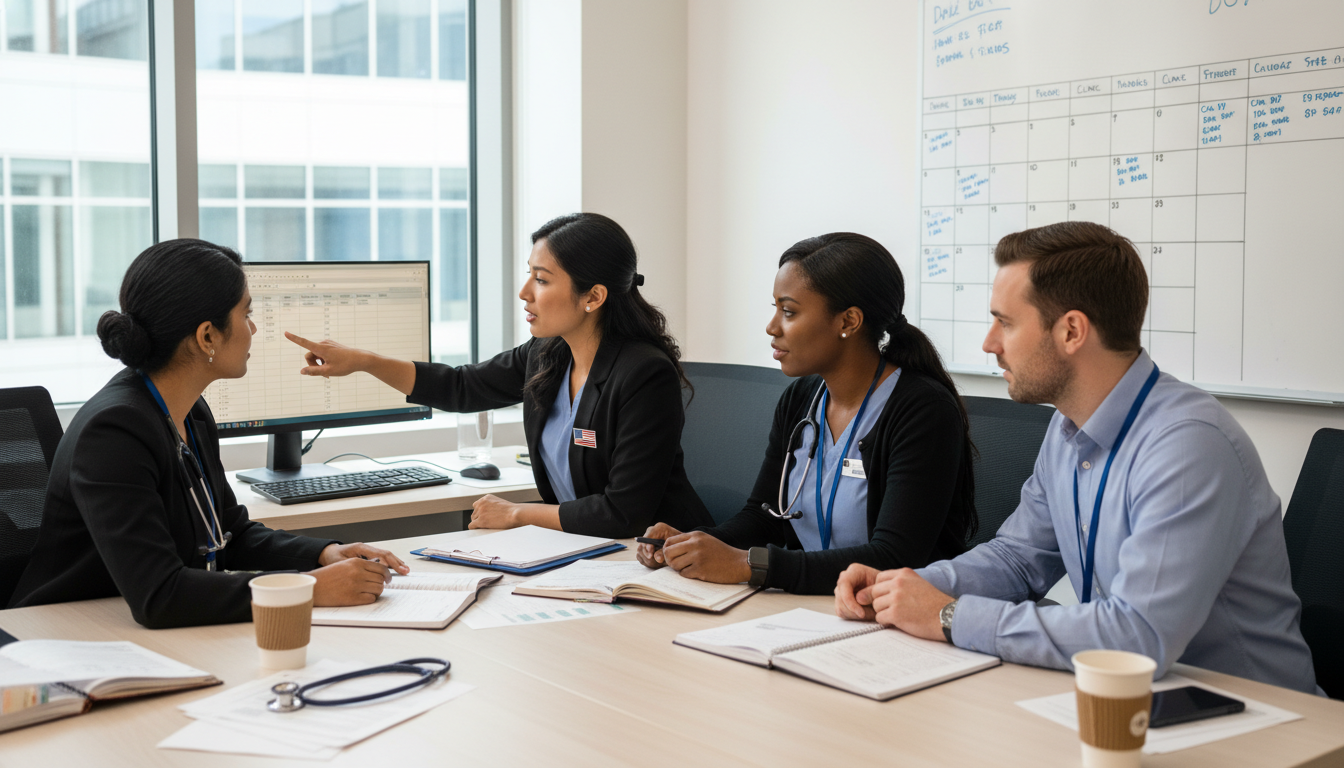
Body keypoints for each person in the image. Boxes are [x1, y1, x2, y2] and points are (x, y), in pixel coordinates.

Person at [834, 221, 1320, 694]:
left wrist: (949, 615)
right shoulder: (1068, 427)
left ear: (1071, 332)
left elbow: (1137, 638)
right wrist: (903, 586)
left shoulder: (1189, 446)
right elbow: (1019, 560)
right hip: (1130, 702)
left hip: (1255, 719)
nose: (989, 343)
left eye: (1005, 321)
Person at [8, 239, 407, 629]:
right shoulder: (113, 432)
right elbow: (159, 596)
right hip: (64, 633)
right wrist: (306, 588)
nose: (253, 328)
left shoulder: (190, 411)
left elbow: (228, 533)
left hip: (127, 626)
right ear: (207, 336)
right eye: (245, 314)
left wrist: (323, 553)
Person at [286, 213, 713, 538]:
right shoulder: (548, 354)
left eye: (541, 279)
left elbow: (624, 513)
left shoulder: (643, 374)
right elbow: (462, 387)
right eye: (529, 273)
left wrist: (516, 513)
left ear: (593, 297)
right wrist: (365, 361)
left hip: (660, 557)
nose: (525, 291)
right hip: (587, 551)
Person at [636, 233, 977, 594]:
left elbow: (894, 556)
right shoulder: (802, 398)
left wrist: (750, 566)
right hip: (813, 602)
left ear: (848, 321)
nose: (772, 327)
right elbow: (763, 516)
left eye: (789, 311)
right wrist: (692, 544)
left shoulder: (922, 409)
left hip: (897, 614)